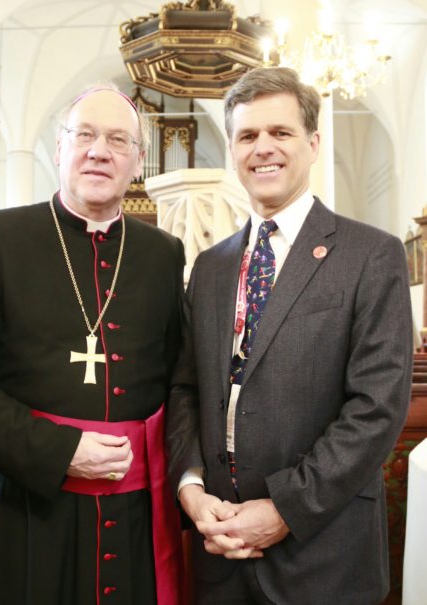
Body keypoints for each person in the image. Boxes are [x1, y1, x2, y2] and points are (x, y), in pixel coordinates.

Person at [0, 82, 185, 605]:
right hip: (28, 513)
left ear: (137, 161)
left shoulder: (164, 254)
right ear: (59, 149)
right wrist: (61, 451)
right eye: (84, 134)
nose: (99, 150)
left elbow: (180, 379)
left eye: (118, 140)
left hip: (136, 516)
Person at [166, 66, 413, 605]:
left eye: (281, 133)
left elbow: (377, 407)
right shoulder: (209, 266)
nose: (264, 149)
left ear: (314, 142)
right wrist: (190, 489)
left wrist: (283, 510)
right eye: (248, 135)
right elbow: (186, 389)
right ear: (231, 149)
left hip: (322, 553)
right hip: (219, 551)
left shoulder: (370, 254)